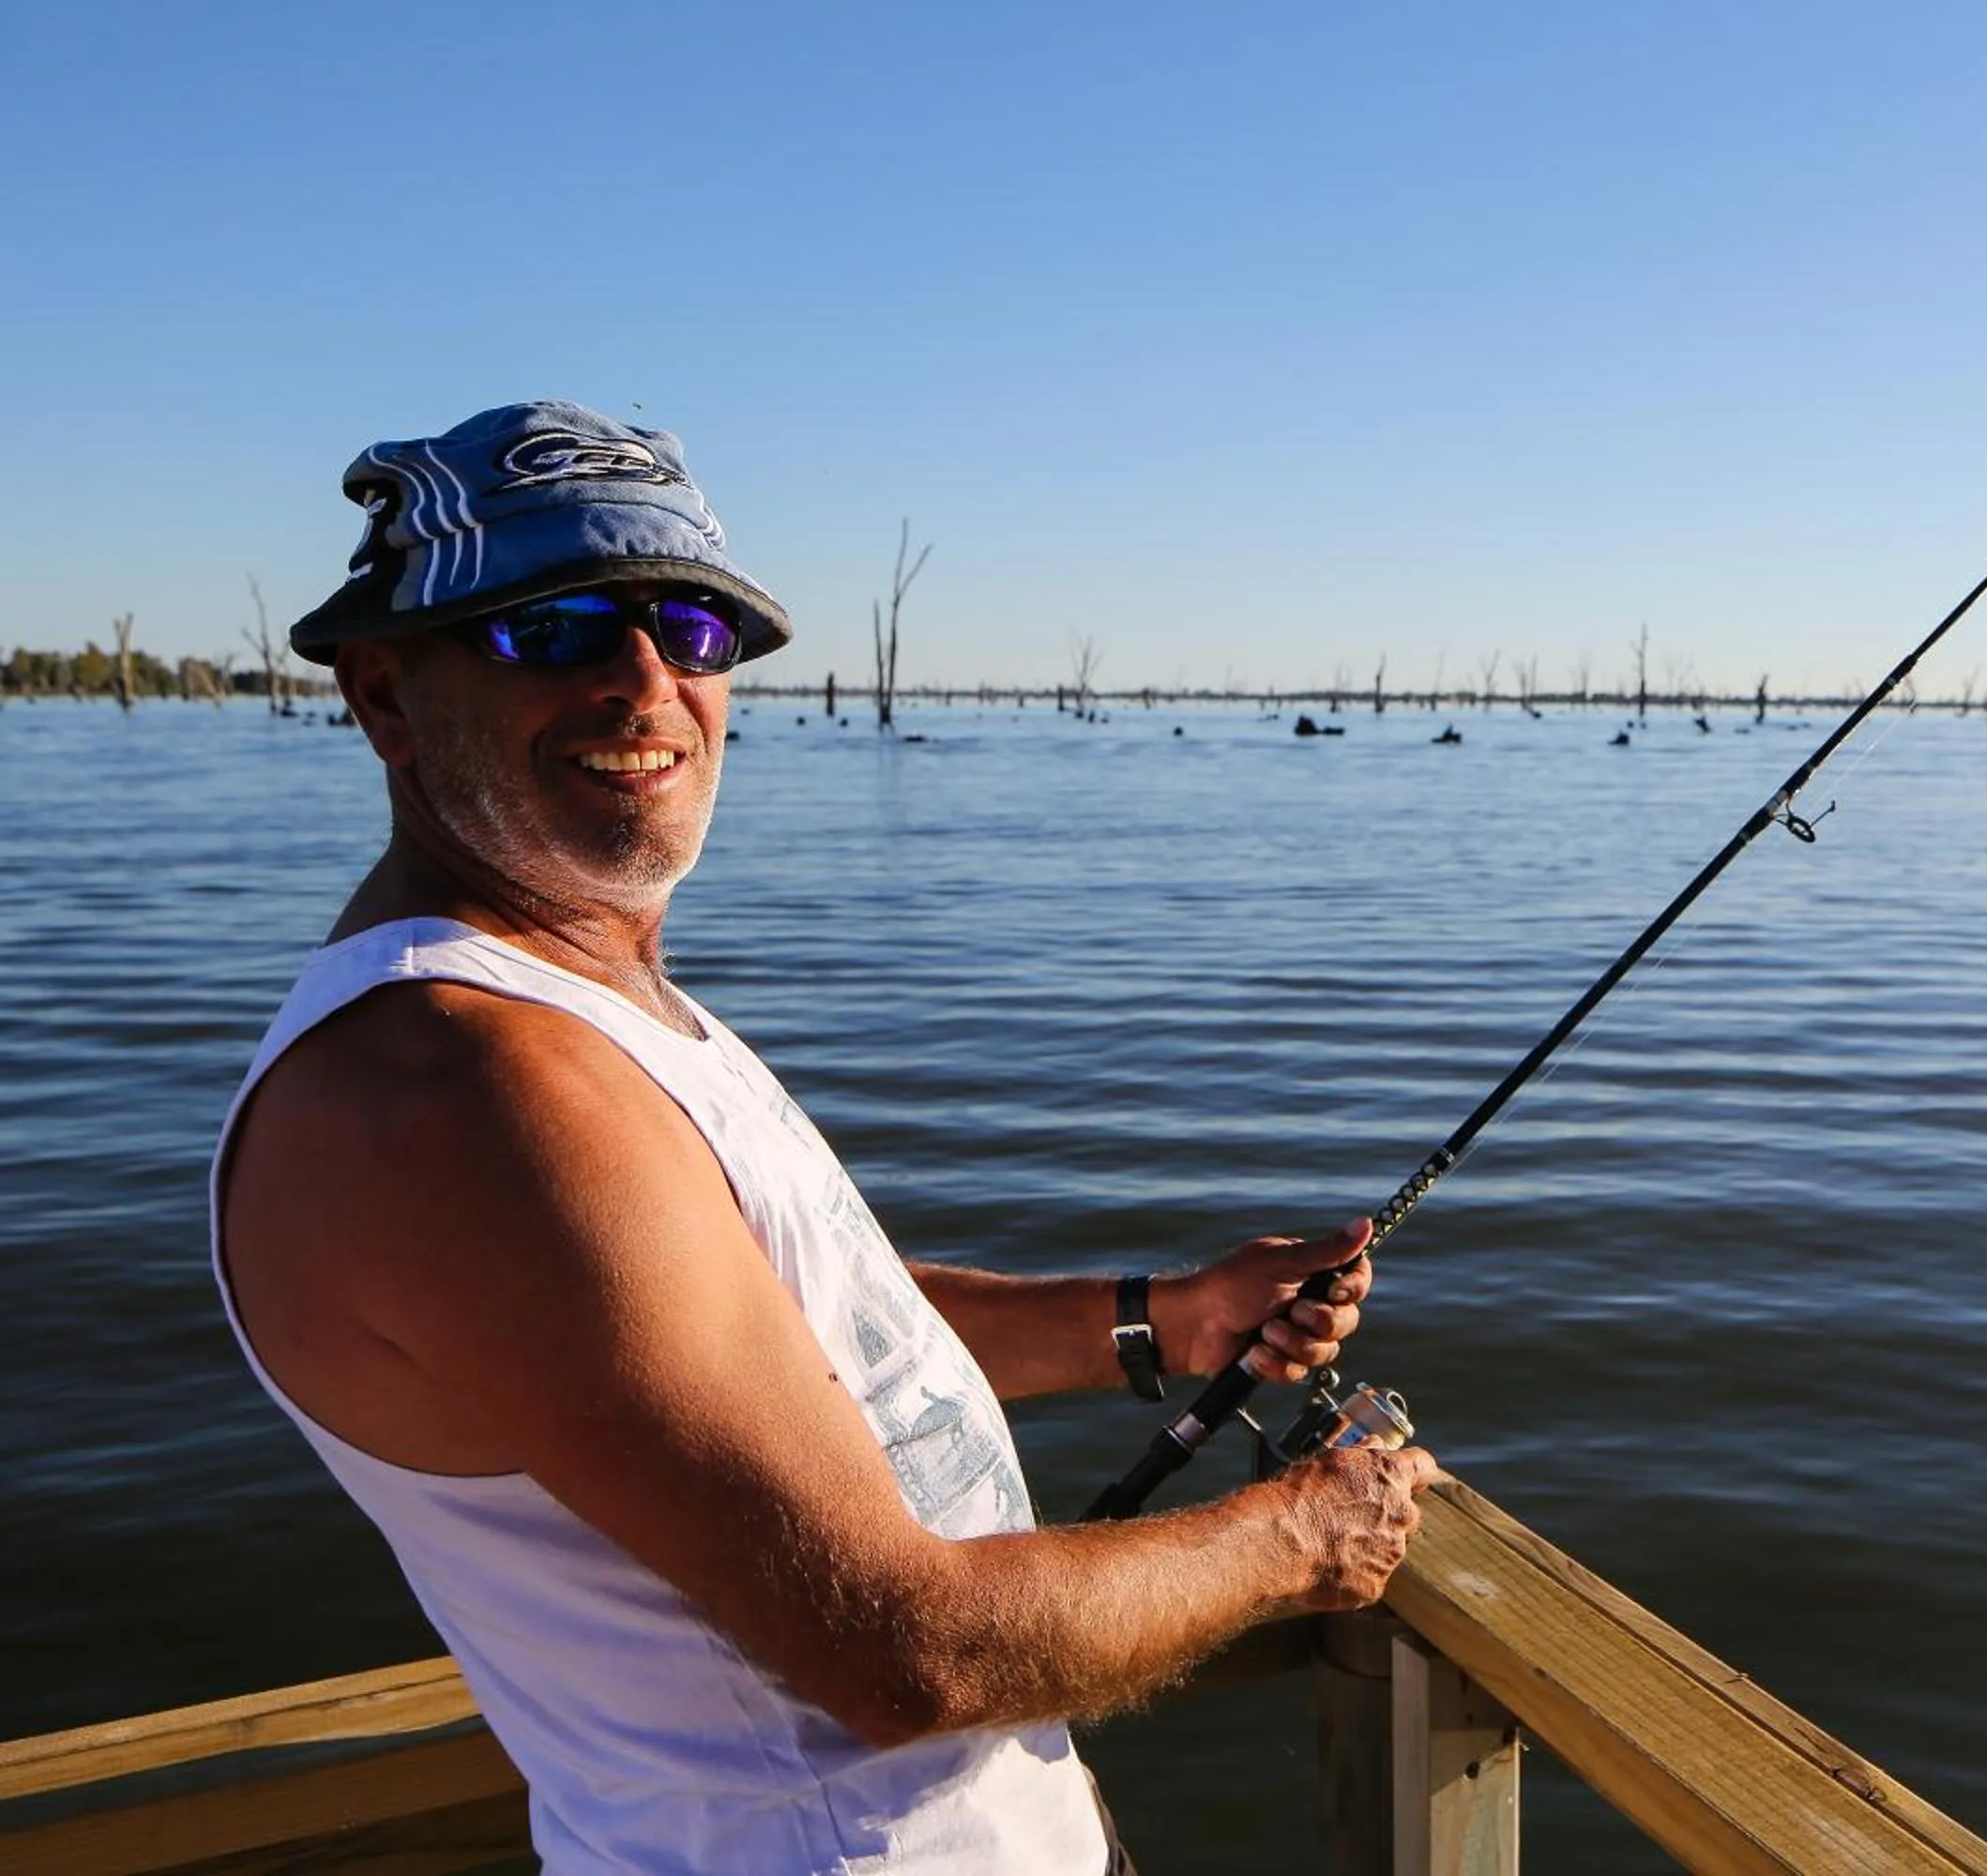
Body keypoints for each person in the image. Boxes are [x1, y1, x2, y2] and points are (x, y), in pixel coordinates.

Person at [212, 401, 1440, 1873]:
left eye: (690, 627)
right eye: (556, 628)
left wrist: (1162, 1319)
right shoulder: (458, 1094)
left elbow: (785, 1344)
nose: (644, 680)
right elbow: (903, 1654)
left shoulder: (588, 1007)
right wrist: (1304, 1536)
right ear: (384, 697)